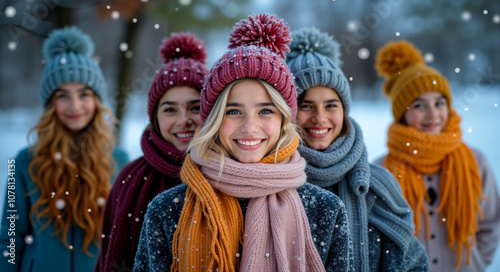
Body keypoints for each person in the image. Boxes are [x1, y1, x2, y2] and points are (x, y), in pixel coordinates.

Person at [133, 14, 353, 272]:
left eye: (265, 111)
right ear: (214, 119)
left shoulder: (326, 210)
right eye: (233, 111)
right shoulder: (167, 210)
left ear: (285, 119)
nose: (250, 127)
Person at [285, 27, 429, 272]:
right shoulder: (270, 181)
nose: (320, 117)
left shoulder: (376, 186)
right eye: (306, 105)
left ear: (344, 112)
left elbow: (410, 261)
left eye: (331, 105)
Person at [0, 26, 129, 272]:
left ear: (96, 100)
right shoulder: (24, 161)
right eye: (63, 95)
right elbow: (10, 237)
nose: (75, 105)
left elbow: (125, 239)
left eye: (84, 94)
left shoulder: (119, 160)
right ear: (51, 103)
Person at [374, 40, 500, 272]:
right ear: (403, 114)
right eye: (419, 106)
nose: (433, 114)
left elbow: (491, 224)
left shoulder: (475, 162)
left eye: (439, 103)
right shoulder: (382, 170)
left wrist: (477, 263)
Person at [94, 32, 208, 271]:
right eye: (170, 110)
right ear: (155, 117)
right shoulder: (130, 179)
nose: (183, 120)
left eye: (195, 107)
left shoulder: (230, 172)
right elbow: (110, 260)